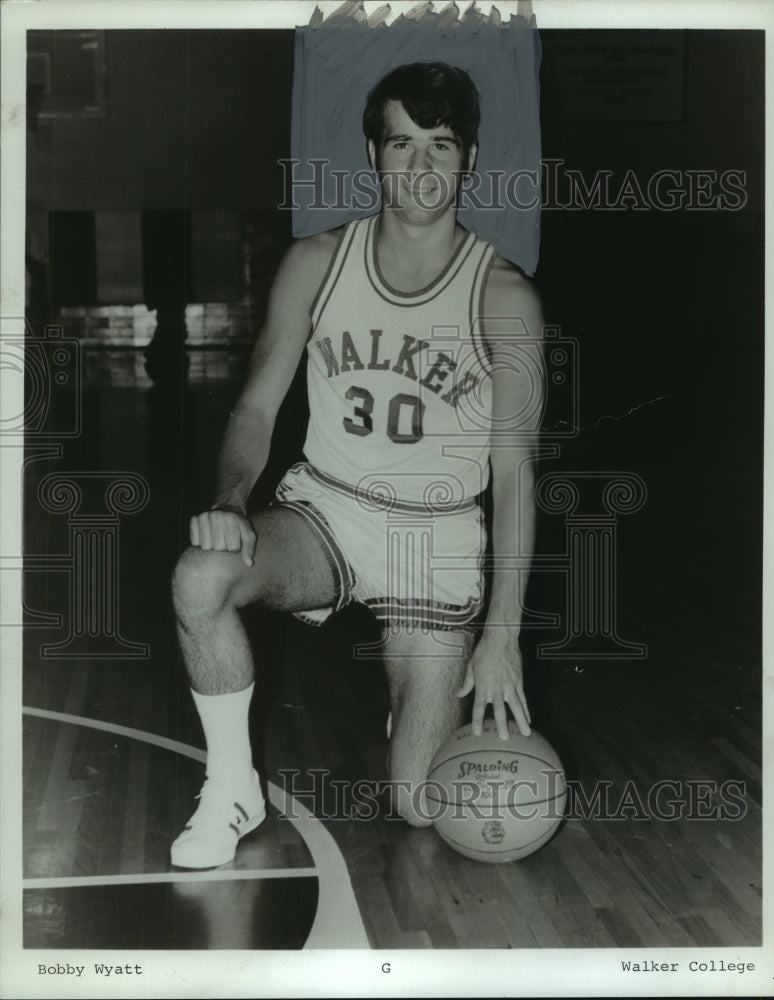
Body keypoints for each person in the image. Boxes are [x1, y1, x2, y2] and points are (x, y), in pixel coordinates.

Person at [170, 61, 544, 869]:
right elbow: (257, 409)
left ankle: (422, 691)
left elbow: (515, 475)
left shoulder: (504, 297)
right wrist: (232, 498)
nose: (419, 168)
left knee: (420, 804)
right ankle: (232, 786)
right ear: (372, 153)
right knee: (202, 573)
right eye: (400, 143)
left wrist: (503, 635)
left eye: (439, 146)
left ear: (470, 158)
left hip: (435, 546)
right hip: (329, 514)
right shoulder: (318, 262)